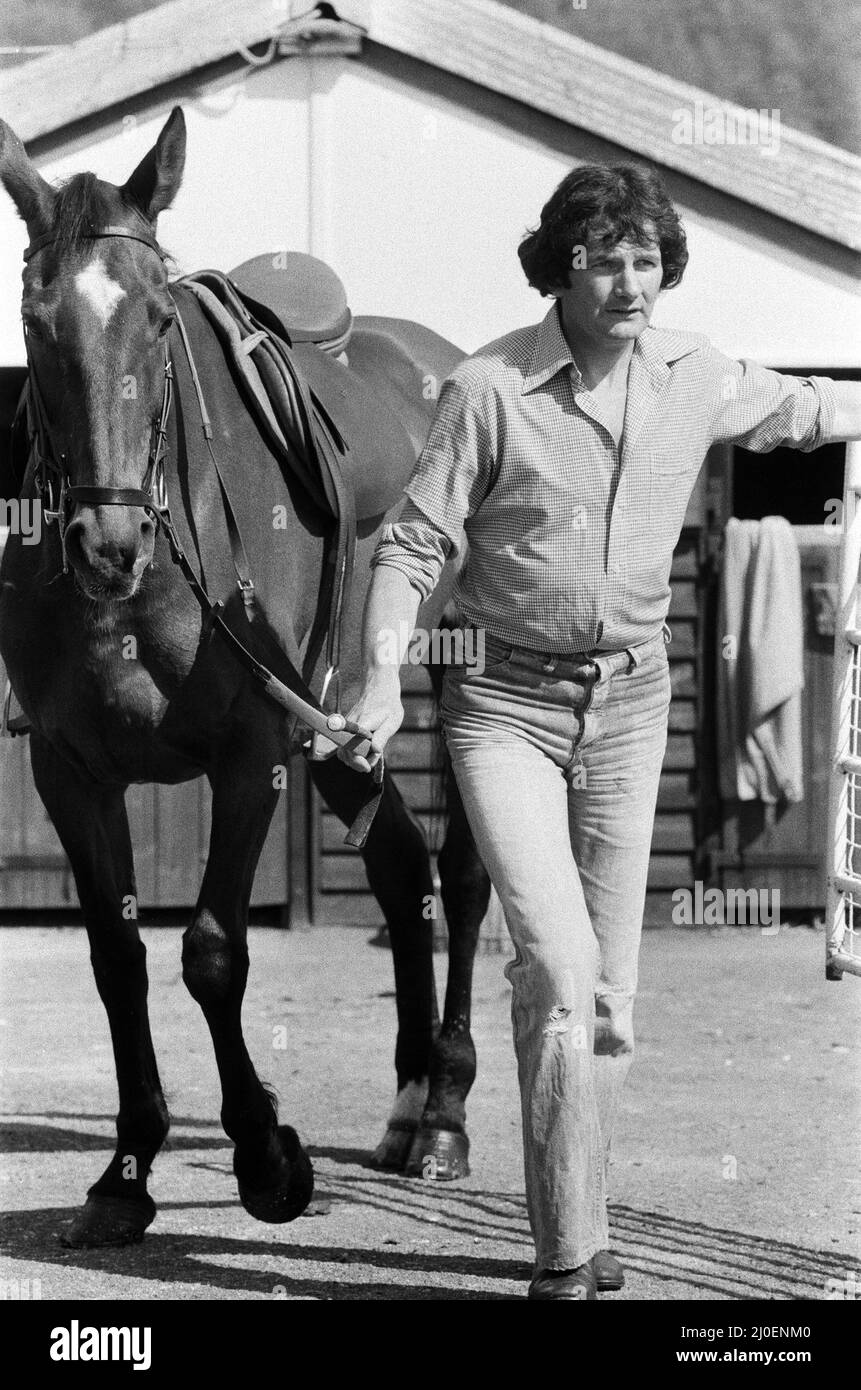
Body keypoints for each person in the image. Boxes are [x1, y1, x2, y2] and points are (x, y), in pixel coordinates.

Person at [338, 163, 861, 1299]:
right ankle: (566, 1253)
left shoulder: (697, 374)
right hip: (505, 708)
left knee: (612, 996)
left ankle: (577, 1213)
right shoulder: (488, 389)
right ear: (558, 270)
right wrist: (381, 677)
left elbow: (812, 410)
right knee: (559, 966)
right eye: (602, 261)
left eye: (646, 260)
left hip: (631, 703)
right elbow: (413, 547)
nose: (630, 283)